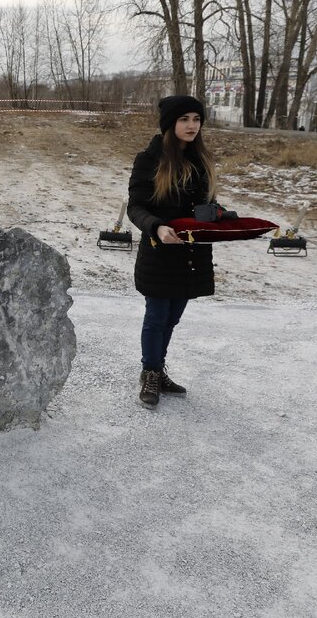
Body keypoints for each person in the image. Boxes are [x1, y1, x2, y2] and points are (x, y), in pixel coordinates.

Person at [126, 95, 217, 409]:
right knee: (157, 316)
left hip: (191, 254)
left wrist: (222, 217)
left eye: (196, 119)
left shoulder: (201, 160)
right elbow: (136, 207)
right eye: (184, 119)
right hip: (159, 251)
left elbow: (204, 207)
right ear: (170, 124)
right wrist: (157, 227)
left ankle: (158, 368)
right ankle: (150, 373)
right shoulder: (149, 159)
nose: (192, 125)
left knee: (173, 317)